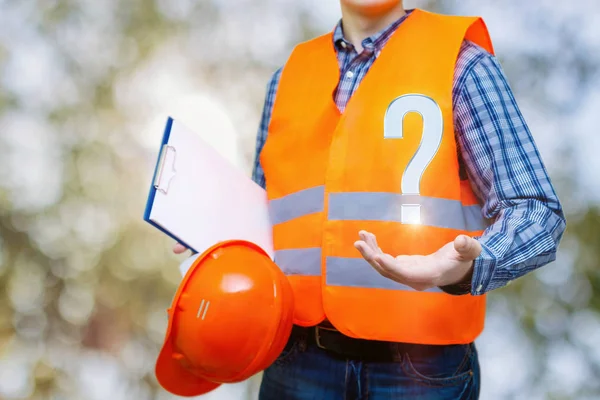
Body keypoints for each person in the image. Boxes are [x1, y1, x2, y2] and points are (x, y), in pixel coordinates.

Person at [175, 1, 566, 399]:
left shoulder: (463, 65)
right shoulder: (286, 78)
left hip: (423, 370)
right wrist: (217, 230)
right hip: (295, 361)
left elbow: (536, 211)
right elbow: (272, 218)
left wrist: (468, 266)